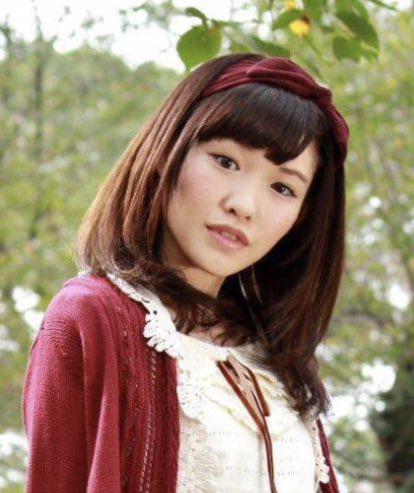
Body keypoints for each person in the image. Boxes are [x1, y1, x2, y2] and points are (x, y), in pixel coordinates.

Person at [22, 52, 350, 493]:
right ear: (168, 151)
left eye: (282, 187)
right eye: (226, 161)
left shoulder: (274, 352)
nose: (243, 205)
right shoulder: (90, 316)